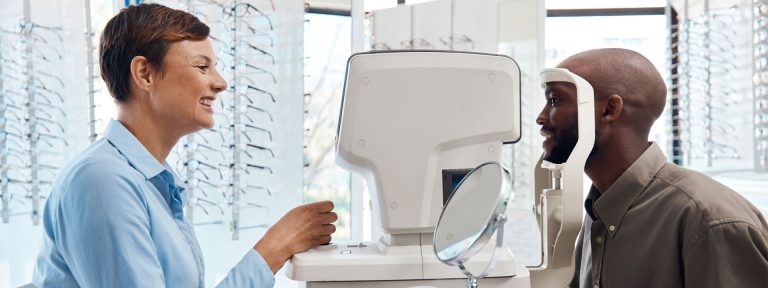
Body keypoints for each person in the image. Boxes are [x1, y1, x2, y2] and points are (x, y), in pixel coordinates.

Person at [33, 4, 337, 287]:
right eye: (202, 67)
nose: (220, 83)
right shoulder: (103, 181)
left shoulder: (152, 182)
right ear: (144, 74)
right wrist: (275, 246)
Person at [536, 48, 768, 287]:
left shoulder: (707, 220)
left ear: (609, 110)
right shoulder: (599, 208)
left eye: (554, 101)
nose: (541, 118)